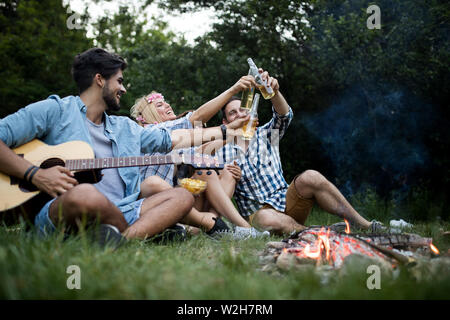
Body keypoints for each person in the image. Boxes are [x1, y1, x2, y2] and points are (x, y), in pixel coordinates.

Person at [0, 48, 246, 244]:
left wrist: (225, 130)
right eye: (119, 81)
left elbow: (174, 138)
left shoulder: (125, 128)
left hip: (126, 209)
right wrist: (35, 174)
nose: (123, 88)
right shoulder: (55, 110)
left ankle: (119, 240)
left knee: (182, 196)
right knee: (85, 194)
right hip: (65, 209)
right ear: (99, 80)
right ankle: (137, 233)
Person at [218, 68, 385, 235]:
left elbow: (284, 116)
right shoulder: (221, 150)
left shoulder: (265, 134)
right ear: (225, 122)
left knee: (311, 176)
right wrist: (232, 177)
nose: (239, 114)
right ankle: (322, 233)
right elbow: (214, 188)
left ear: (249, 111)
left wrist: (274, 92)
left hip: (286, 201)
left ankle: (366, 225)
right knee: (267, 217)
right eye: (233, 113)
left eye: (242, 109)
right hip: (257, 215)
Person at [130, 77, 269, 238]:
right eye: (159, 105)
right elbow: (196, 118)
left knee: (221, 172)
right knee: (204, 172)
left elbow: (199, 152)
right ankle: (235, 228)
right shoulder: (152, 132)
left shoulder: (173, 137)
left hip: (172, 200)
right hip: (150, 204)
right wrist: (233, 90)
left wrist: (233, 135)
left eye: (165, 102)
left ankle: (217, 227)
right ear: (147, 115)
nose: (167, 105)